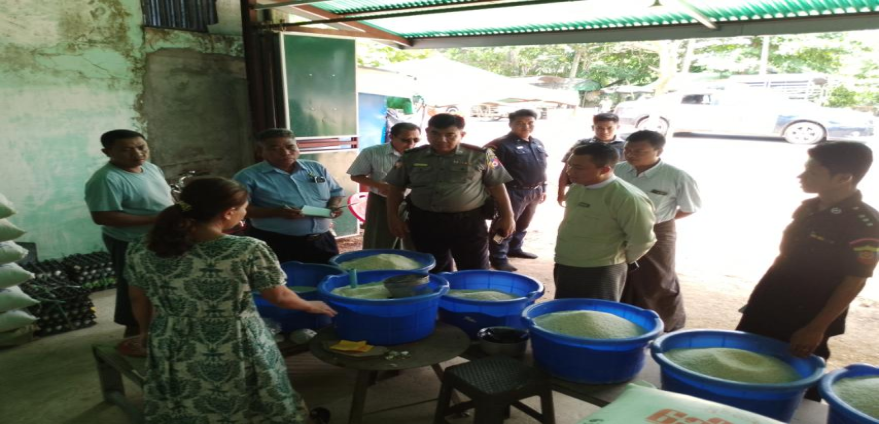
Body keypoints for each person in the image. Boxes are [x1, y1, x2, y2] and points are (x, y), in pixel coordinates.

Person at [125, 177, 336, 423]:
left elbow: (137, 298)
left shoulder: (142, 247)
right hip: (234, 339)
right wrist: (310, 305)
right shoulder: (246, 249)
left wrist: (145, 331)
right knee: (252, 392)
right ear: (228, 213)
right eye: (244, 208)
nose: (245, 213)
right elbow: (278, 296)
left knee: (188, 392)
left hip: (171, 336)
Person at [737, 142, 878, 399]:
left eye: (812, 172)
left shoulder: (864, 224)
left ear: (843, 178)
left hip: (807, 313)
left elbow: (855, 280)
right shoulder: (809, 207)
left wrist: (817, 327)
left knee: (794, 378)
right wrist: (759, 301)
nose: (801, 176)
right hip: (770, 300)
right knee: (743, 361)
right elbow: (786, 258)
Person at [385, 113, 516, 273]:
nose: (442, 139)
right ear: (427, 132)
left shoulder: (484, 156)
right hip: (424, 222)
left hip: (468, 223)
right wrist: (393, 217)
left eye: (450, 135)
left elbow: (498, 186)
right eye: (435, 133)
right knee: (433, 270)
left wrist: (508, 216)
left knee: (474, 270)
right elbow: (395, 188)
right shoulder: (410, 157)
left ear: (462, 134)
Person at [84, 129, 174, 337]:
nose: (137, 154)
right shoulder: (106, 179)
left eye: (142, 147)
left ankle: (157, 329)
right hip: (128, 242)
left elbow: (166, 198)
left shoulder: (150, 168)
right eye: (126, 150)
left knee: (158, 284)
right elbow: (103, 216)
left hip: (158, 237)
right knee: (133, 287)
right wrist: (156, 219)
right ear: (107, 152)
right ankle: (134, 334)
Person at [616, 130, 702, 332]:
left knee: (657, 277)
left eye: (639, 151)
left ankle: (662, 324)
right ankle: (620, 318)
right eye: (628, 150)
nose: (631, 155)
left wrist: (654, 221)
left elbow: (689, 208)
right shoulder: (617, 170)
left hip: (658, 230)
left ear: (659, 151)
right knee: (619, 272)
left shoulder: (676, 176)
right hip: (618, 229)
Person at [555, 142, 656, 301]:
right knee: (563, 309)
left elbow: (643, 239)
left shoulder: (627, 198)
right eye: (570, 165)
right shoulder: (578, 187)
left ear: (604, 170)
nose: (569, 171)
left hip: (599, 269)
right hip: (566, 262)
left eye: (578, 168)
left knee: (593, 313)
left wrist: (614, 259)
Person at [234, 128, 345, 264]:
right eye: (274, 149)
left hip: (322, 241)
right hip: (276, 243)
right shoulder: (247, 177)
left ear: (298, 147)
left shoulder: (315, 170)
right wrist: (276, 212)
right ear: (260, 152)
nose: (285, 153)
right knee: (283, 277)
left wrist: (333, 206)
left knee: (329, 274)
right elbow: (237, 210)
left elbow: (335, 192)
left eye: (290, 147)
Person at [484, 109, 548, 272]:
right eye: (520, 123)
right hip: (511, 192)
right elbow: (489, 169)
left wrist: (543, 187)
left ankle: (514, 248)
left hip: (534, 191)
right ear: (510, 124)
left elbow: (542, 167)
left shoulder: (537, 143)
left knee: (522, 223)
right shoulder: (499, 145)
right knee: (504, 225)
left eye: (530, 123)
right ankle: (498, 257)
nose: (526, 126)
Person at [347, 122, 420, 249]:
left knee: (411, 240)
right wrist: (380, 186)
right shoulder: (372, 152)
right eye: (405, 140)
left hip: (414, 202)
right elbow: (355, 175)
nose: (411, 144)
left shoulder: (421, 154)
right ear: (392, 137)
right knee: (380, 240)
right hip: (381, 202)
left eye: (416, 140)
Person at [557, 113, 626, 206]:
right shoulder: (581, 144)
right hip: (582, 189)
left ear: (618, 127)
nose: (605, 131)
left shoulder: (626, 147)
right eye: (599, 128)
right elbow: (566, 169)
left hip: (613, 191)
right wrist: (560, 193)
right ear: (593, 127)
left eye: (609, 128)